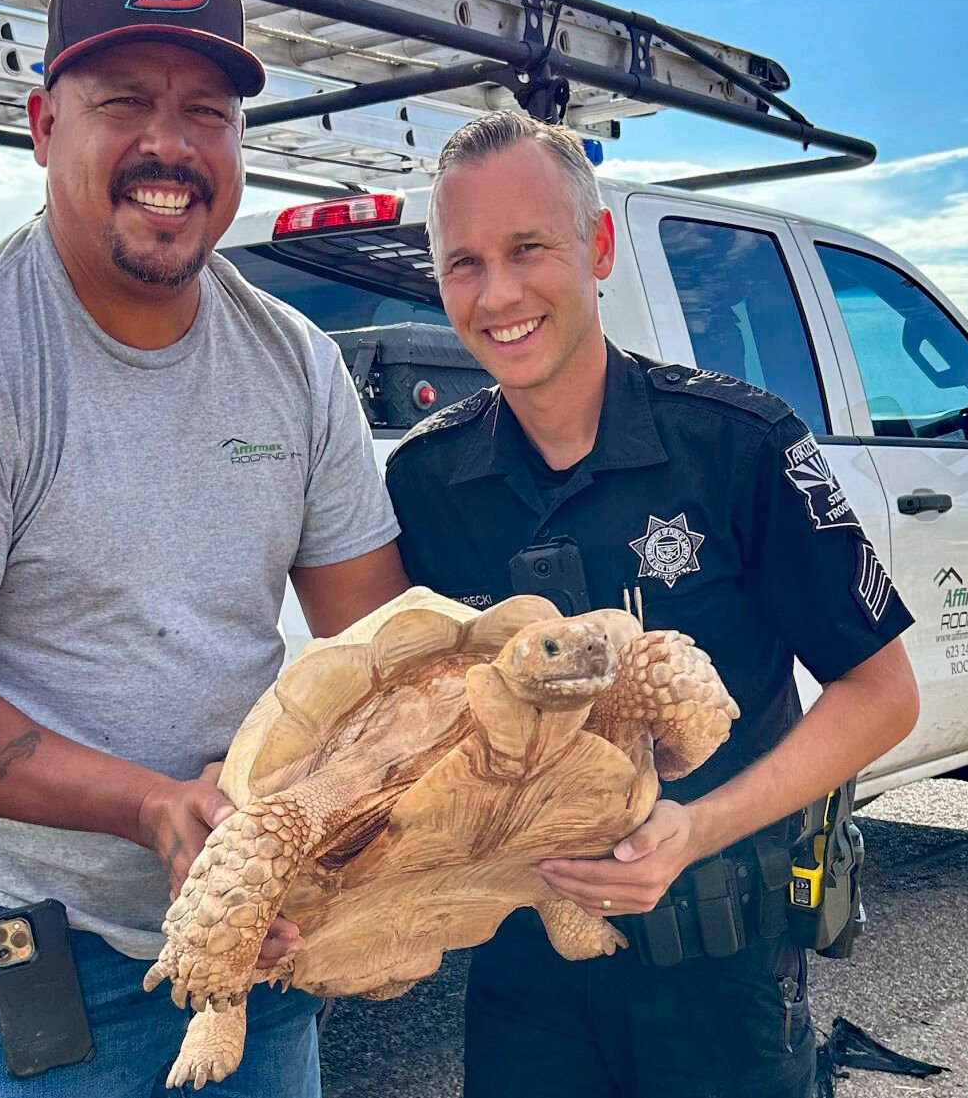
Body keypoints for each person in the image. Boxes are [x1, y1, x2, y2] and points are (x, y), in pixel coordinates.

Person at [0, 0, 407, 1098]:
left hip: (250, 932)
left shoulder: (295, 364)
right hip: (26, 947)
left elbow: (372, 649)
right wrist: (149, 807)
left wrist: (353, 833)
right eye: (122, 99)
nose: (170, 145)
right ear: (42, 125)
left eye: (206, 110)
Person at [384, 111, 921, 1098]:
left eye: (527, 248)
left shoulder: (738, 444)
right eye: (464, 263)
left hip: (720, 974)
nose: (498, 293)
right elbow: (396, 723)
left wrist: (696, 826)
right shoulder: (425, 481)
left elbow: (882, 692)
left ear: (596, 246)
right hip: (523, 980)